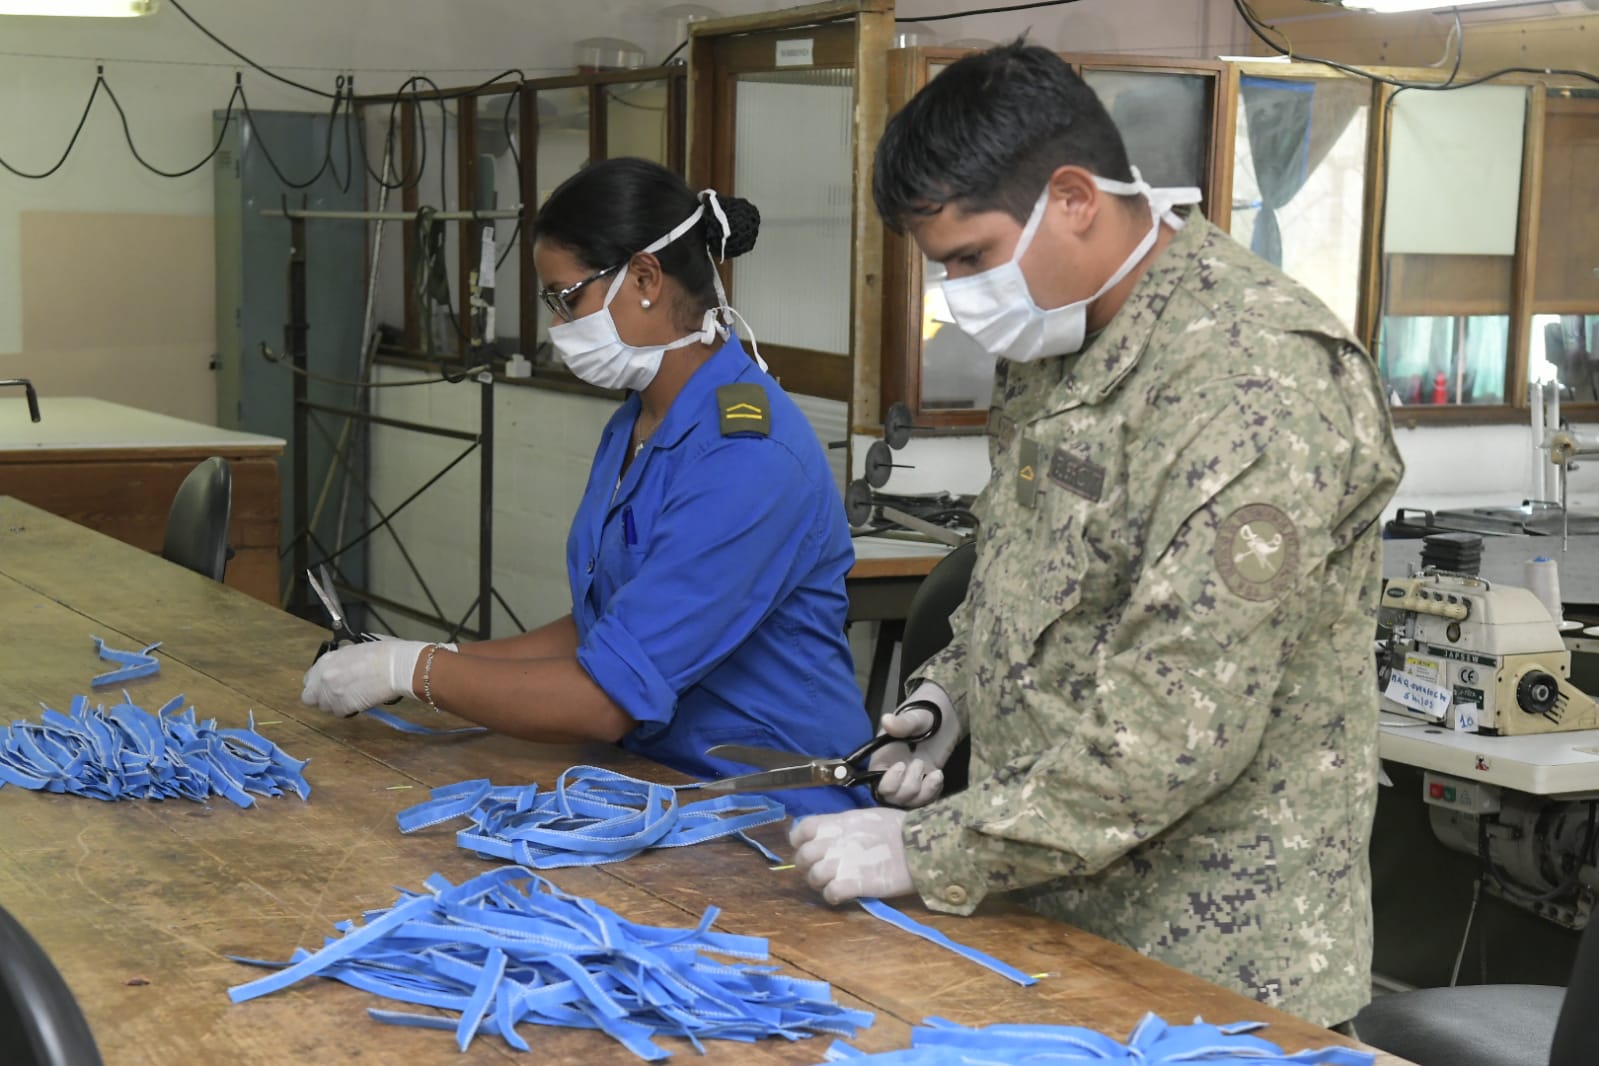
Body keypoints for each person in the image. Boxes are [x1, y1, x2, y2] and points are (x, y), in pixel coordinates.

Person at [789, 42, 1404, 1029]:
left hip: (1210, 971)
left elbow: (1178, 724)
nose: (957, 293)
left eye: (970, 258)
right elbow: (1019, 563)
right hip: (1043, 921)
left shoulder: (1255, 379)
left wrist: (923, 848)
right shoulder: (1058, 333)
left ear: (1073, 197)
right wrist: (954, 693)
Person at [301, 157, 872, 817]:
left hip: (776, 812)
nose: (557, 326)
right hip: (660, 781)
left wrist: (416, 673)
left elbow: (606, 698)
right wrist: (447, 658)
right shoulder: (639, 420)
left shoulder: (747, 456)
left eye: (566, 297)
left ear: (646, 277)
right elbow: (603, 628)